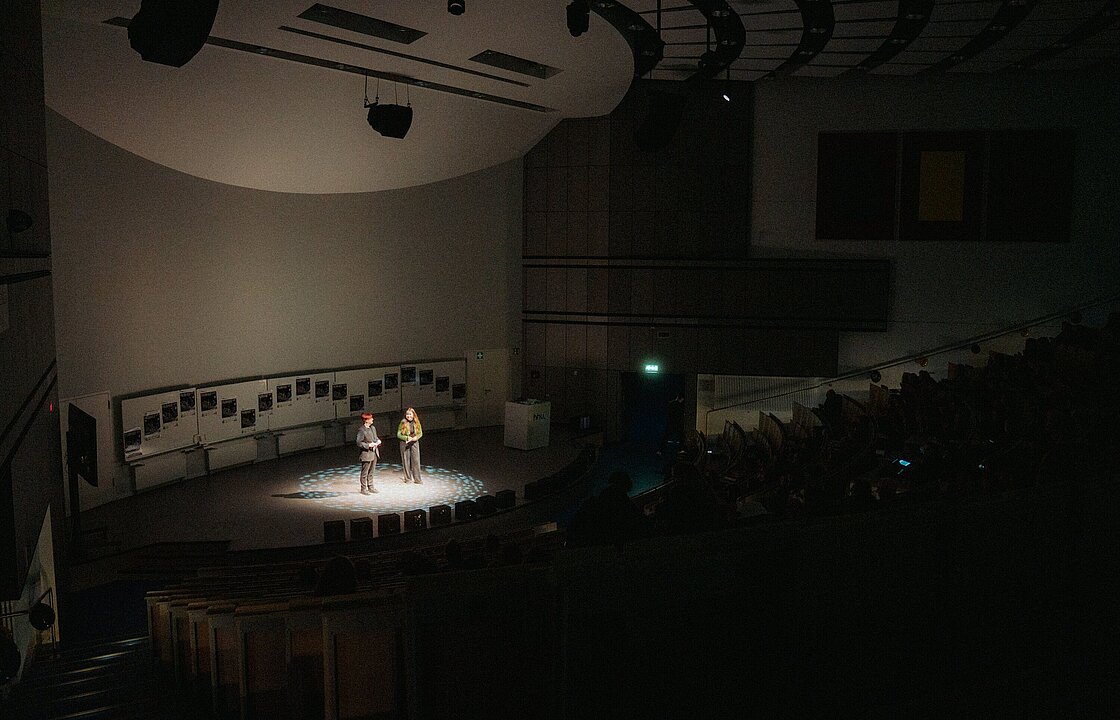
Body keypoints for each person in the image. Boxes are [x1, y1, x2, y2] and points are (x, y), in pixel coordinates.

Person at [356, 412, 381, 494]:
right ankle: (363, 488)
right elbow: (359, 442)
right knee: (365, 472)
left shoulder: (373, 428)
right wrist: (368, 445)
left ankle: (371, 486)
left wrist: (378, 441)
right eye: (371, 418)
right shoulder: (362, 430)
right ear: (366, 420)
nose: (372, 419)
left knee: (372, 471)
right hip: (366, 454)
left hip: (374, 452)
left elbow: (375, 437)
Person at [397, 407, 423, 483]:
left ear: (413, 415)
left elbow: (420, 433)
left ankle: (417, 479)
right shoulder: (403, 422)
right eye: (407, 414)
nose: (409, 416)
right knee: (406, 460)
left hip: (414, 442)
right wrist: (406, 438)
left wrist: (416, 437)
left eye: (410, 414)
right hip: (405, 443)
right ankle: (407, 478)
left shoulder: (417, 422)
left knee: (416, 460)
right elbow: (398, 434)